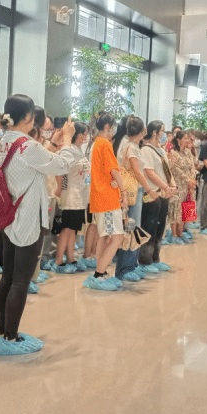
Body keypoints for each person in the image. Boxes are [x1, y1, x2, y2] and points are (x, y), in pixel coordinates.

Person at [0, 95, 81, 352]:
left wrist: (55, 142)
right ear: (28, 117)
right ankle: (11, 337)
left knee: (8, 276)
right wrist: (68, 139)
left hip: (9, 215)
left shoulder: (3, 141)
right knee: (21, 280)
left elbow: (39, 160)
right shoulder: (27, 145)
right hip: (27, 216)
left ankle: (0, 331)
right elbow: (60, 164)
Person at [114, 115, 160, 280]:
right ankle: (125, 268)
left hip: (134, 190)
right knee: (131, 228)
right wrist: (149, 189)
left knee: (133, 228)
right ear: (143, 131)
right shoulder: (132, 147)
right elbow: (137, 172)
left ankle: (131, 265)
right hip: (133, 191)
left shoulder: (130, 145)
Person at [88, 111, 128, 288]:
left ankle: (101, 272)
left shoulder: (96, 144)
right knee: (117, 237)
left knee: (104, 236)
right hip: (107, 198)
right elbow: (114, 170)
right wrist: (124, 191)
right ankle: (99, 273)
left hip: (100, 196)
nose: (114, 129)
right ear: (107, 127)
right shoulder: (104, 144)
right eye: (113, 126)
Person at [54, 122, 91, 270]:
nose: (87, 136)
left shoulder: (78, 151)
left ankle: (70, 259)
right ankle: (58, 261)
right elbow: (59, 171)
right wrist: (59, 188)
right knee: (67, 228)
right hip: (71, 195)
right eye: (86, 133)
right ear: (80, 135)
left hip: (81, 196)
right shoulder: (68, 150)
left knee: (73, 229)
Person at [139, 121, 176, 270]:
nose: (164, 134)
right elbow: (149, 172)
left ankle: (155, 258)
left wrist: (173, 186)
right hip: (152, 194)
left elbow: (167, 170)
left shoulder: (160, 150)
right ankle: (145, 261)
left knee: (160, 227)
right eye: (162, 131)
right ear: (154, 133)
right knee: (149, 226)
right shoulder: (146, 150)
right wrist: (165, 187)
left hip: (164, 194)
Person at [168, 131, 198, 244]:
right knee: (176, 209)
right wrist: (187, 179)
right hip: (178, 184)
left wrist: (192, 180)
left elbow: (192, 167)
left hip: (188, 186)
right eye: (185, 138)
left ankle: (181, 234)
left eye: (188, 138)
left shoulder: (188, 152)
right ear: (179, 140)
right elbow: (175, 168)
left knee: (185, 209)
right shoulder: (174, 153)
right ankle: (174, 235)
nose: (187, 140)